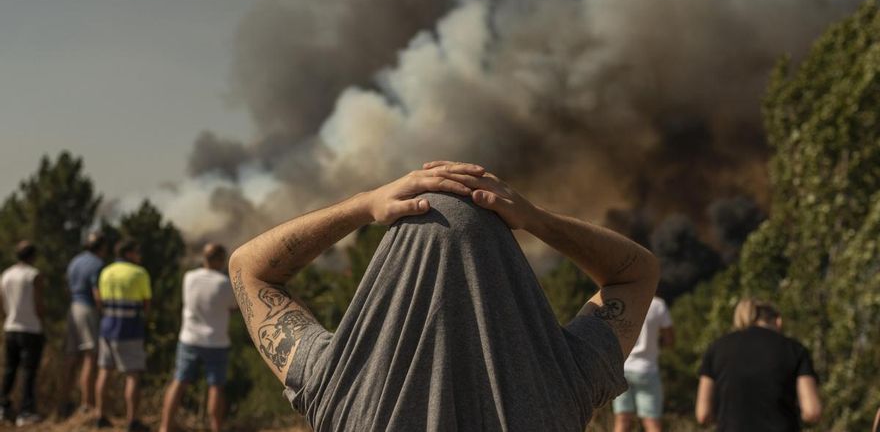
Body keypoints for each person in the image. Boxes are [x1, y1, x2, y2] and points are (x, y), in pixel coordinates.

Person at [229, 161, 660, 431]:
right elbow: (636, 274)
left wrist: (362, 205)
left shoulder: (340, 382)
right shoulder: (563, 381)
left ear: (389, 273)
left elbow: (249, 270)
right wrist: (534, 218)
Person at [696, 298, 822, 431]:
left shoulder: (716, 349)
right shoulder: (794, 349)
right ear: (778, 321)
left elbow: (703, 414)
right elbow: (812, 411)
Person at [159, 243, 237, 432]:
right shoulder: (224, 283)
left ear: (204, 258)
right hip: (216, 341)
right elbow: (234, 307)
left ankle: (164, 427)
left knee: (179, 381)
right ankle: (216, 428)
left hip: (189, 339)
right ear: (219, 260)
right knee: (216, 387)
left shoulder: (189, 277)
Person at [94, 239, 151, 432]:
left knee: (104, 371)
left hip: (107, 328)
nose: (139, 256)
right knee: (133, 375)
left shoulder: (106, 271)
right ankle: (132, 420)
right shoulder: (139, 273)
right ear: (128, 254)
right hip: (129, 330)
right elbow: (146, 304)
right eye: (136, 252)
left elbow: (99, 300)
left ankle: (100, 416)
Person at [61, 231, 108, 416]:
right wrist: (103, 312)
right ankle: (87, 403)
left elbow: (67, 286)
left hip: (73, 308)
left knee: (71, 357)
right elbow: (97, 292)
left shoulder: (75, 261)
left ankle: (64, 401)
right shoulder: (97, 264)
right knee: (90, 356)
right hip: (88, 309)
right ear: (102, 247)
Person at [0, 241, 45, 426]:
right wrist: (43, 320)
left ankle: (3, 406)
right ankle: (26, 411)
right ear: (32, 256)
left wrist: (6, 319)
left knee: (10, 369)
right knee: (29, 371)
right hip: (31, 328)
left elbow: (1, 303)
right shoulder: (33, 275)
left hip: (11, 327)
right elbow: (38, 303)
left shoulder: (6, 274)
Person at [613, 296, 674, 432]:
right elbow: (670, 339)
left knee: (622, 420)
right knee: (651, 423)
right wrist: (657, 345)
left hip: (622, 368)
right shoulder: (658, 305)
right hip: (647, 369)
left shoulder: (621, 301)